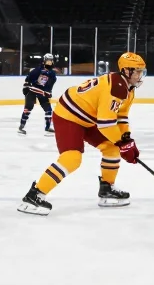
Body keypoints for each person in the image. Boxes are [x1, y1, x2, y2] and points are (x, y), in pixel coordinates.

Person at [18, 52, 146, 216]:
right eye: (137, 71)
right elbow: (106, 124)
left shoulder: (128, 89)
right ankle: (34, 195)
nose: (140, 75)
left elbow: (121, 117)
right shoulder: (116, 87)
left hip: (88, 118)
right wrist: (123, 144)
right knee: (72, 158)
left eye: (142, 71)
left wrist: (127, 141)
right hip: (68, 115)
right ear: (126, 71)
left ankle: (107, 188)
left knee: (112, 148)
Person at [19, 53, 57, 135]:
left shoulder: (52, 74)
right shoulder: (37, 70)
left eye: (50, 61)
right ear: (44, 61)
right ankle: (21, 127)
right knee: (28, 108)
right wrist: (25, 88)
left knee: (48, 110)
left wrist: (49, 92)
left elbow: (50, 84)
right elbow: (28, 79)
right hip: (32, 91)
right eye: (48, 61)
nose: (49, 62)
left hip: (42, 93)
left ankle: (47, 127)